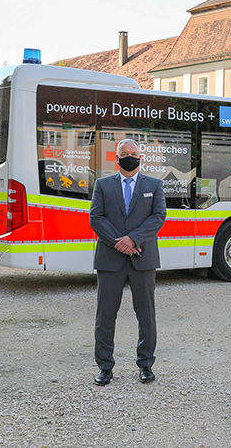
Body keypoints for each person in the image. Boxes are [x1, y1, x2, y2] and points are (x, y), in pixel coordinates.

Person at [89, 139, 166, 386]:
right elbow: (96, 217)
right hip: (110, 260)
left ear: (140, 157)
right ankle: (105, 367)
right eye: (125, 153)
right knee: (105, 316)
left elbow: (158, 216)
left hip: (142, 259)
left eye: (133, 153)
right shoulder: (102, 185)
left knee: (146, 315)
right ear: (117, 157)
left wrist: (133, 239)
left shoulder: (154, 185)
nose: (129, 157)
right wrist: (118, 242)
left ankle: (145, 365)